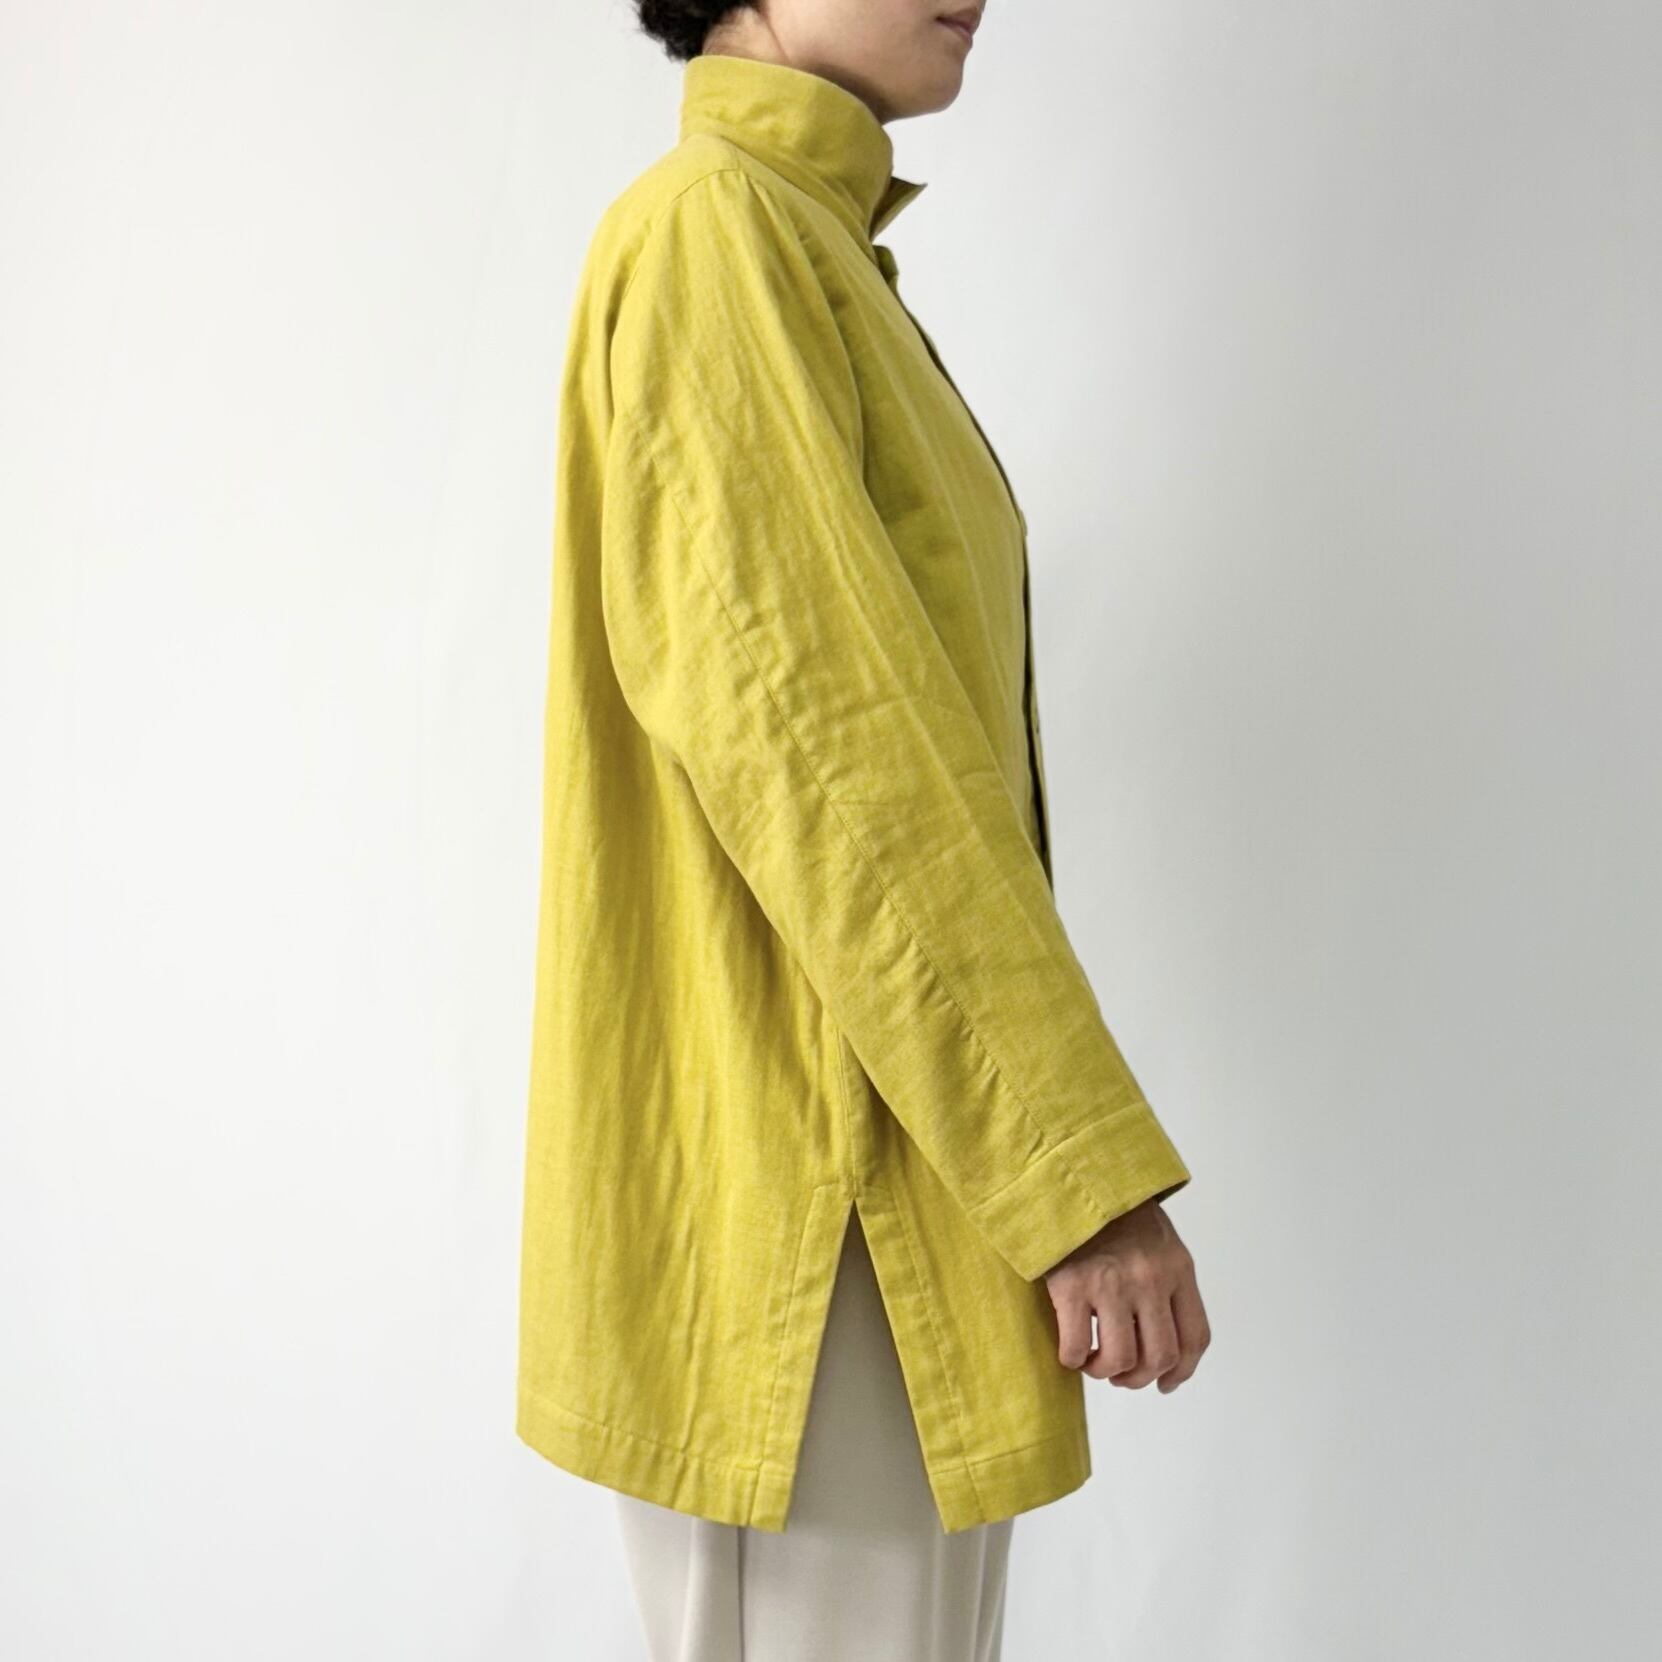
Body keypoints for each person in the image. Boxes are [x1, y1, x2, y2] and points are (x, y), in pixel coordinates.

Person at [516, 3, 1212, 1655]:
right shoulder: (717, 236)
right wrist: (1075, 1178)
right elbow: (833, 763)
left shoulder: (804, 247)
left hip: (881, 1193)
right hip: (811, 1224)